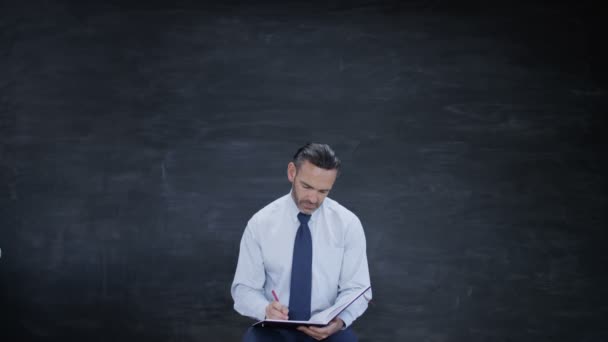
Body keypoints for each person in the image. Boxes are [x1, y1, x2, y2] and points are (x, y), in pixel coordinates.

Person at [231, 143, 371, 342]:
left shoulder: (348, 224)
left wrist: (340, 321)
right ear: (291, 173)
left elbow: (358, 288)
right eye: (306, 187)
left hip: (329, 329)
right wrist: (265, 309)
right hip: (274, 330)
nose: (313, 199)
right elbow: (244, 289)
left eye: (323, 191)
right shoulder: (260, 224)